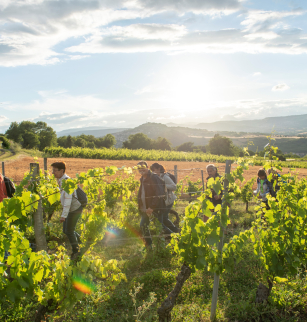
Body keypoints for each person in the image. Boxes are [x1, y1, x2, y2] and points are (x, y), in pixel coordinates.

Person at [51, 161, 83, 259]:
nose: (53, 173)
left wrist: (63, 216)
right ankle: (82, 241)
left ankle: (76, 251)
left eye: (55, 170)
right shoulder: (61, 180)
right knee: (66, 230)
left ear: (62, 171)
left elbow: (68, 201)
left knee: (69, 230)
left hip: (75, 209)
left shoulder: (67, 182)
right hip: (70, 209)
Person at [137, 160, 166, 250]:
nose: (141, 169)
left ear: (147, 167)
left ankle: (161, 247)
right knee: (143, 225)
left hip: (156, 207)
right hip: (146, 208)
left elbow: (159, 193)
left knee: (158, 227)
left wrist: (152, 207)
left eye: (143, 167)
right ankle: (149, 245)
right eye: (139, 168)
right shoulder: (142, 179)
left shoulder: (153, 177)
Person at [150, 163, 180, 235]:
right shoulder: (156, 177)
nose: (153, 172)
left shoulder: (165, 177)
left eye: (154, 170)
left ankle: (173, 233)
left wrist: (163, 185)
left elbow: (174, 187)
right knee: (164, 218)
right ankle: (175, 231)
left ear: (158, 169)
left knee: (163, 218)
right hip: (164, 201)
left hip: (169, 201)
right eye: (152, 171)